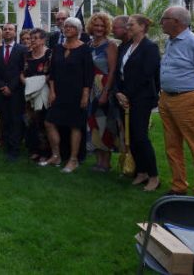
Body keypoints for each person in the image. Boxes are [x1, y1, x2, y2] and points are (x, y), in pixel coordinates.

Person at [158, 6, 194, 196]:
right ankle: (178, 186)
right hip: (166, 98)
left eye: (164, 18)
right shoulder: (172, 41)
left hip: (187, 98)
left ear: (177, 22)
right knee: (172, 146)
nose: (160, 22)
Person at [114, 15, 161, 192]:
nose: (128, 27)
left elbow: (146, 75)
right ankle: (141, 172)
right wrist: (118, 92)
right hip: (124, 97)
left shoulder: (150, 48)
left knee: (141, 137)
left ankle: (154, 176)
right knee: (130, 137)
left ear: (142, 27)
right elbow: (119, 72)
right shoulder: (126, 47)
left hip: (141, 98)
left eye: (131, 24)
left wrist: (127, 95)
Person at [43, 17, 94, 173]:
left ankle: (73, 159)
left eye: (71, 27)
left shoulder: (85, 49)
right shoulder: (57, 48)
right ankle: (56, 155)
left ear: (78, 30)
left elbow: (88, 75)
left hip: (77, 93)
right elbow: (52, 73)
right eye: (65, 27)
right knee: (49, 122)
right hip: (58, 92)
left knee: (75, 125)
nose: (67, 29)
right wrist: (52, 91)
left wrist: (85, 95)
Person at [85, 13, 119, 172]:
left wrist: (105, 92)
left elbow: (112, 71)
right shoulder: (90, 44)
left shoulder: (110, 45)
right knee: (93, 124)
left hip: (103, 86)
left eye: (102, 26)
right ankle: (98, 161)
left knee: (104, 124)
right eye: (96, 25)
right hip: (91, 88)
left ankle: (106, 163)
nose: (99, 28)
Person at [0, 23, 28, 161]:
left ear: (15, 32)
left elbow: (23, 70)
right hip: (1, 92)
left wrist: (11, 87)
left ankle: (15, 149)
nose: (7, 31)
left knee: (15, 120)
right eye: (5, 29)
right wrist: (2, 86)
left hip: (16, 92)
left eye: (10, 29)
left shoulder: (23, 50)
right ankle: (7, 145)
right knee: (5, 119)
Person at [21, 28, 51, 161]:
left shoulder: (49, 54)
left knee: (43, 123)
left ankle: (45, 153)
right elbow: (21, 72)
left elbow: (51, 73)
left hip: (44, 92)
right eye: (31, 38)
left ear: (43, 40)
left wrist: (38, 84)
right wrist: (27, 83)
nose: (32, 40)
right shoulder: (27, 55)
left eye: (36, 38)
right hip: (29, 94)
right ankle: (34, 150)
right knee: (30, 123)